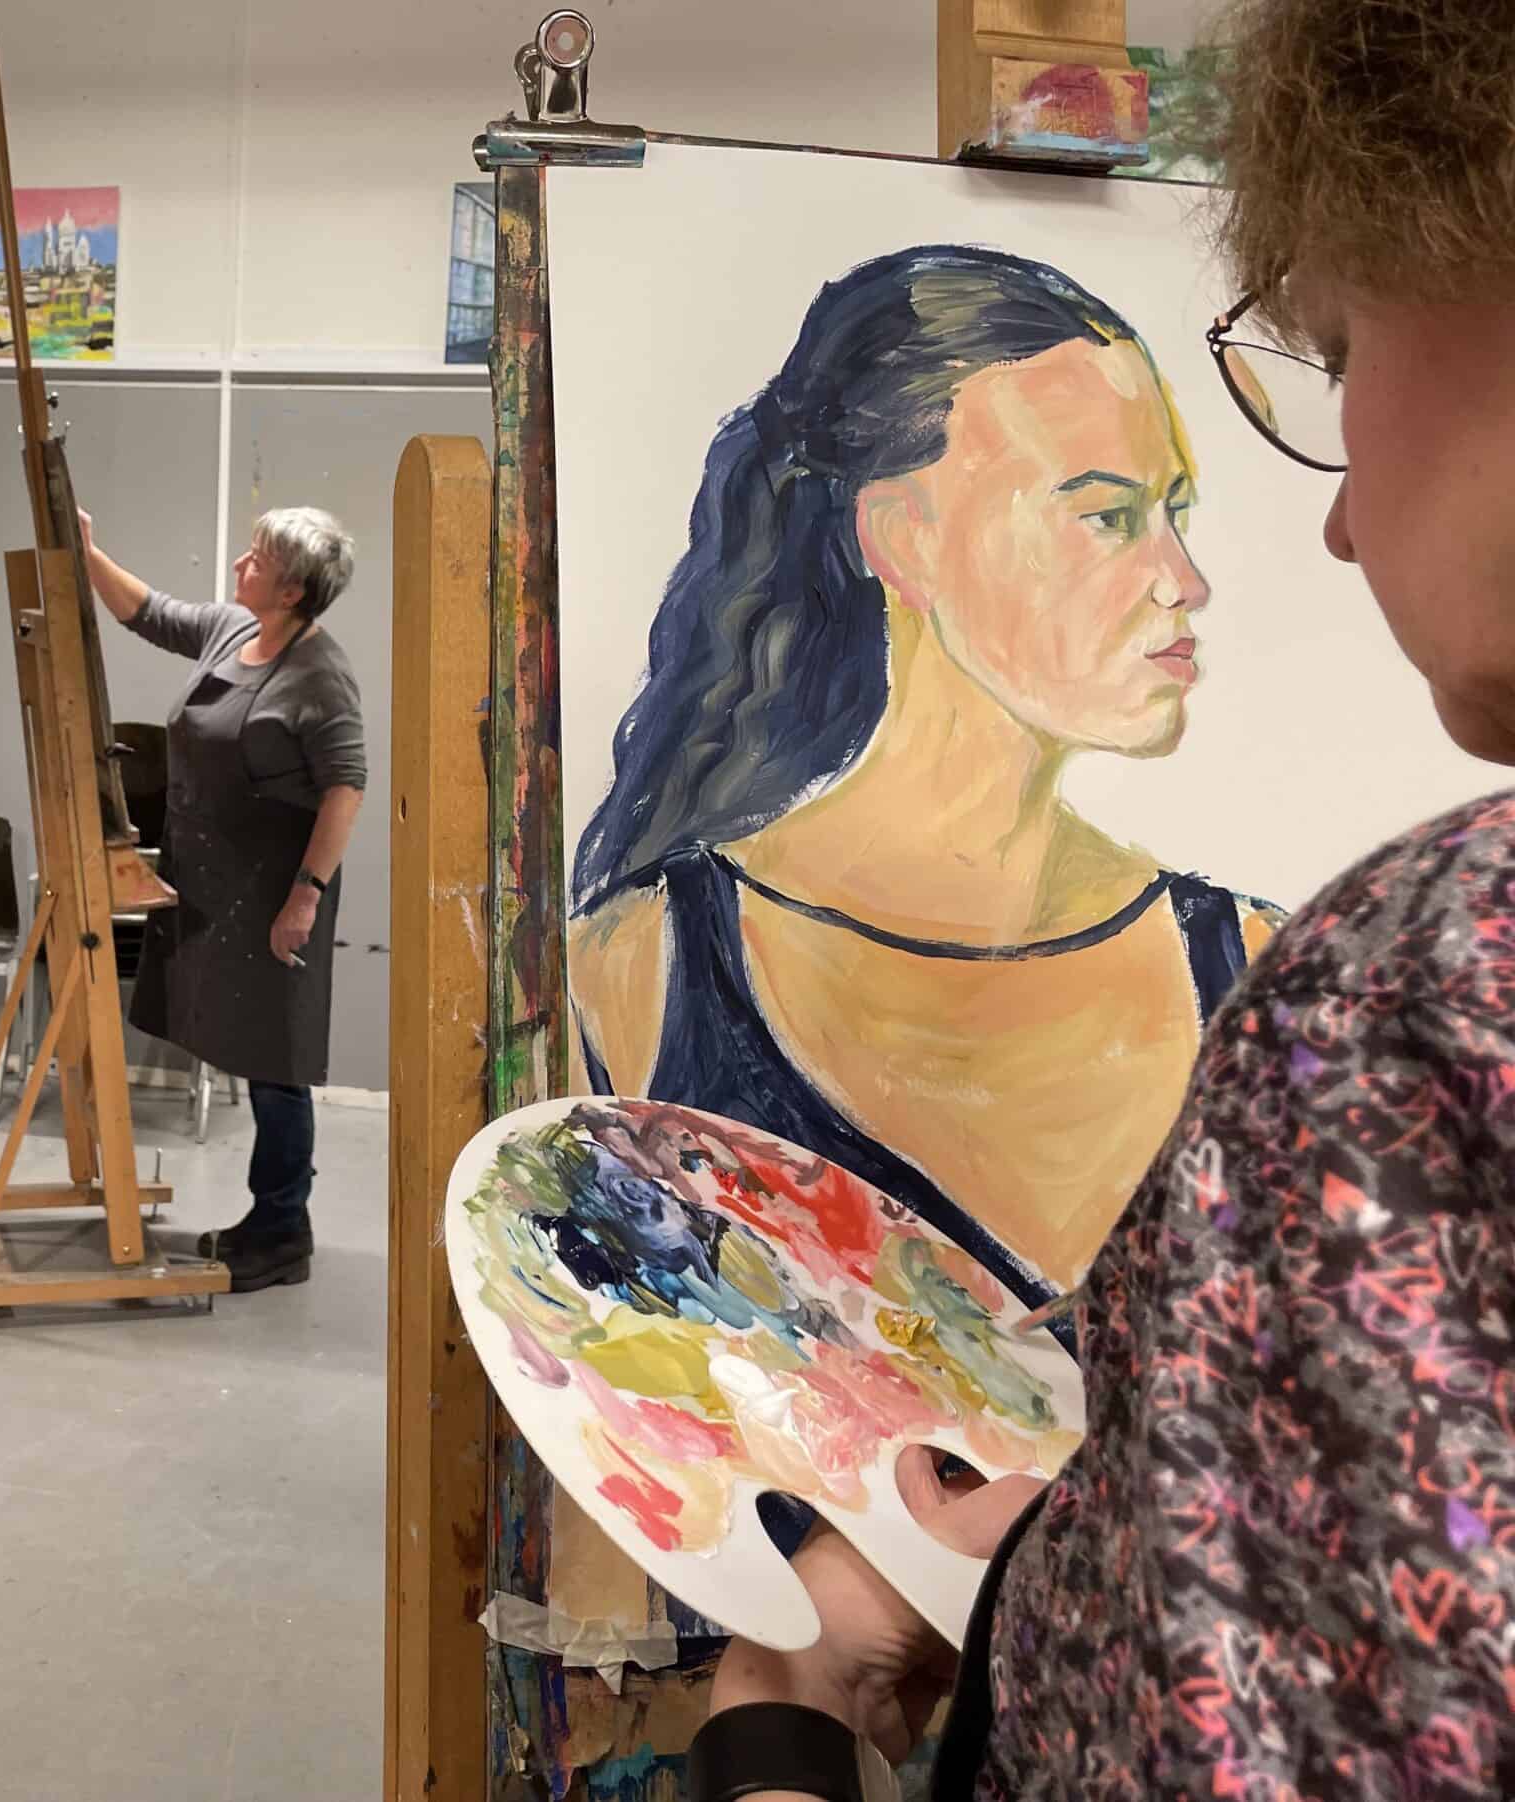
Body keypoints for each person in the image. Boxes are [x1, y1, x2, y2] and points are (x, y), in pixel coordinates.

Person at [684, 2, 1515, 1797]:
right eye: (1107, 511)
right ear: (896, 535)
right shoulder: (667, 947)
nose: (1319, 530)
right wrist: (1113, 1532)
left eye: (1344, 348)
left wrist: (773, 1735)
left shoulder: (1398, 993)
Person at [570, 244, 1281, 1308]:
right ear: (905, 538)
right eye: (1107, 515)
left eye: (1173, 511)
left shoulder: (1255, 968)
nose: (1184, 580)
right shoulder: (647, 968)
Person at [76, 505, 367, 1291]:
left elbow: (346, 787)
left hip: (275, 893)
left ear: (292, 589)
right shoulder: (233, 631)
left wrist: (305, 897)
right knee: (245, 1047)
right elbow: (148, 611)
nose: (242, 563)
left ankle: (282, 1229)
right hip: (216, 882)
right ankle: (271, 1220)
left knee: (276, 1062)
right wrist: (88, 553)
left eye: (258, 559)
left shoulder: (320, 675)